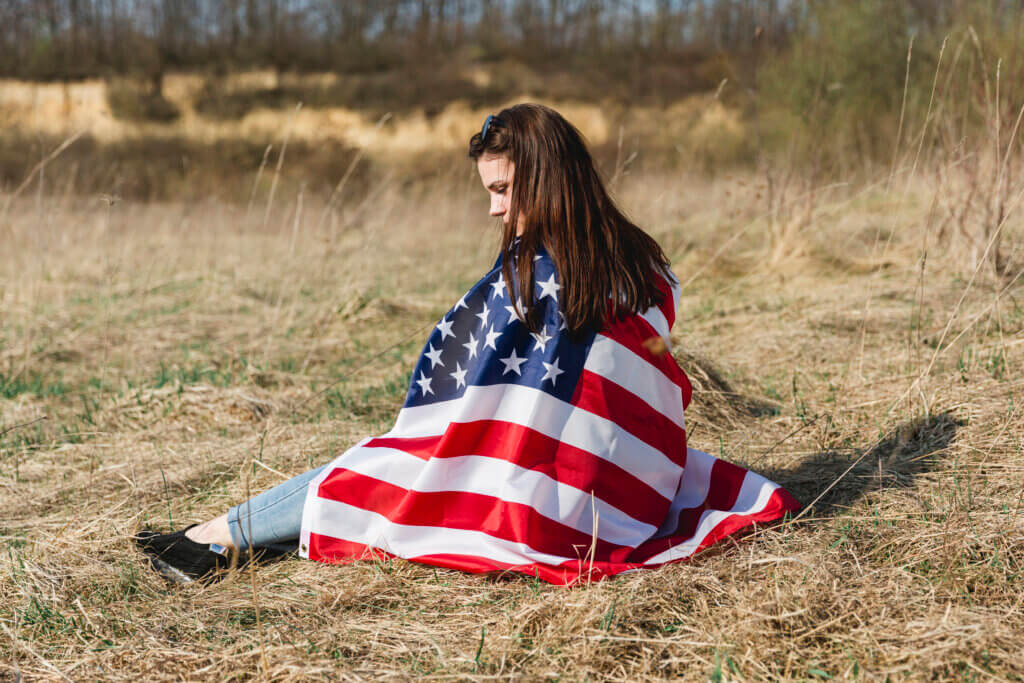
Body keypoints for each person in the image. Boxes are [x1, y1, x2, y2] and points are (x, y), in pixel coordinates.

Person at [135, 103, 799, 586]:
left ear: (544, 180)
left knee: (388, 461)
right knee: (400, 463)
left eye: (503, 190)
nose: (494, 210)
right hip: (635, 489)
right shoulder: (644, 264)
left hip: (549, 507)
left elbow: (468, 399)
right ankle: (223, 539)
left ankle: (210, 540)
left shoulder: (535, 275)